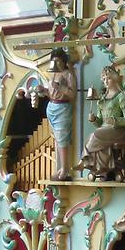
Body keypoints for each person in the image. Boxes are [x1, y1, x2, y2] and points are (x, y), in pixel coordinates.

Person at [75, 66, 125, 181]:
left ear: (115, 79)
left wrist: (115, 120)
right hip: (104, 130)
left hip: (118, 130)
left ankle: (84, 162)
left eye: (109, 78)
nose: (106, 81)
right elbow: (100, 123)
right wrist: (94, 119)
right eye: (104, 79)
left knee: (95, 134)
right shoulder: (102, 99)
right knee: (95, 134)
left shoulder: (122, 96)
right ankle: (101, 168)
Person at [43, 48, 76, 181]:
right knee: (57, 139)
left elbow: (72, 94)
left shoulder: (68, 74)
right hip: (52, 106)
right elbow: (51, 93)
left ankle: (65, 169)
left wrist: (60, 87)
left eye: (58, 61)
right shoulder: (53, 74)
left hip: (63, 107)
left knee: (62, 138)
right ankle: (60, 167)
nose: (56, 63)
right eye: (53, 61)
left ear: (63, 61)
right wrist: (43, 90)